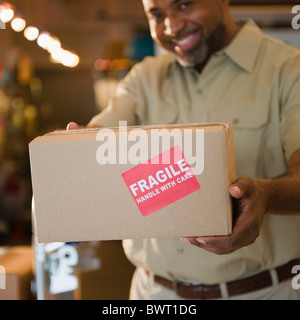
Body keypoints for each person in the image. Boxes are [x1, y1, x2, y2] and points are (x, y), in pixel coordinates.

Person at [67, 0, 300, 299]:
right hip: (155, 294)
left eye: (184, 5)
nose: (172, 27)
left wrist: (265, 197)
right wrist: (79, 150)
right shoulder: (144, 78)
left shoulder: (288, 69)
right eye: (157, 14)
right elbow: (98, 144)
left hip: (263, 292)